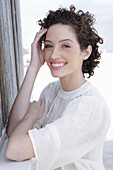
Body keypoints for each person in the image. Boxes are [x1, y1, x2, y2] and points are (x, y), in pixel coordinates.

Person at [6, 5, 111, 170]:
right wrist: (34, 66)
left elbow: (15, 149)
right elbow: (13, 131)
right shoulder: (51, 91)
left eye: (65, 46)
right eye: (48, 46)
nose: (54, 55)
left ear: (86, 52)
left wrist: (31, 116)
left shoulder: (90, 106)